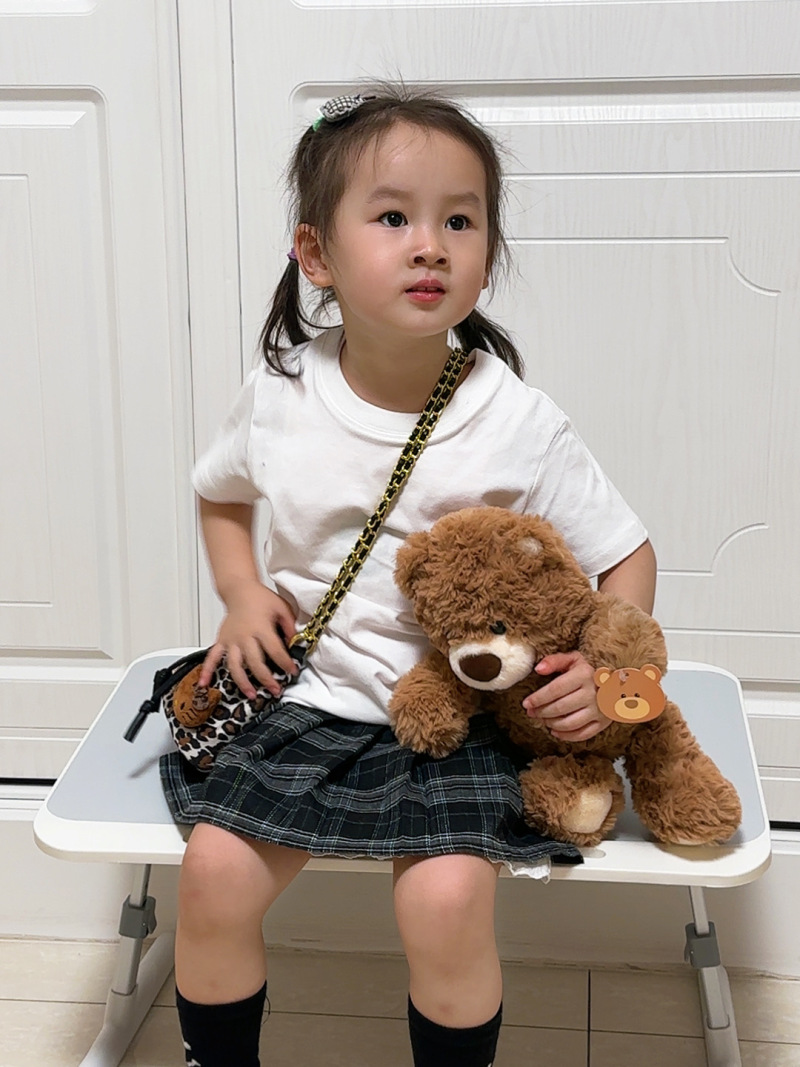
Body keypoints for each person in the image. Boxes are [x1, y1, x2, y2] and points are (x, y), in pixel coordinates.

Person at [162, 84, 657, 1067]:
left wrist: (608, 672)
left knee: (445, 899)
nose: (430, 245)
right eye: (392, 217)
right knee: (213, 875)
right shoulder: (282, 394)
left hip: (460, 715)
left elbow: (624, 552)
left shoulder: (516, 419)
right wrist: (242, 592)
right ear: (316, 255)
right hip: (307, 699)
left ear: (487, 254)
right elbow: (219, 494)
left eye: (458, 221)